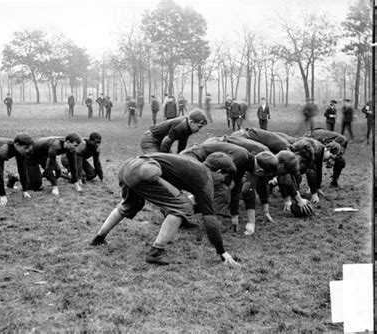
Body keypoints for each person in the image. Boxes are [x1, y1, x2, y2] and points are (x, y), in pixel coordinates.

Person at [89, 152, 240, 266]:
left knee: (130, 204)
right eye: (224, 178)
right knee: (182, 206)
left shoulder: (194, 164)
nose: (222, 183)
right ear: (219, 172)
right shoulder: (205, 177)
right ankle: (156, 253)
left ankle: (99, 238)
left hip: (129, 166)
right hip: (146, 171)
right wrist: (222, 251)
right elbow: (210, 219)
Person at [181, 138, 278, 235]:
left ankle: (185, 210)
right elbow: (221, 178)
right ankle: (212, 224)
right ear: (260, 171)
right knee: (222, 191)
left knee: (224, 188)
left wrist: (234, 215)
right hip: (191, 158)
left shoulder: (245, 161)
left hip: (198, 161)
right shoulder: (241, 158)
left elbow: (236, 188)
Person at [7, 133, 83, 195]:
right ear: (68, 142)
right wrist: (55, 187)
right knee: (35, 185)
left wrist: (76, 183)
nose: (76, 148)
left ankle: (41, 176)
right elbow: (49, 166)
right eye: (75, 145)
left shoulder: (71, 148)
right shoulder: (55, 146)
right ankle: (14, 177)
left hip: (43, 155)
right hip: (31, 155)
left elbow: (73, 166)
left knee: (58, 172)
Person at [140, 109, 208, 154]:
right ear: (191, 122)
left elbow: (182, 143)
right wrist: (165, 157)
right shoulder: (181, 127)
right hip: (151, 140)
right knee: (157, 162)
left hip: (160, 140)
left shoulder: (187, 127)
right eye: (199, 127)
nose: (199, 130)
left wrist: (180, 155)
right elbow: (166, 142)